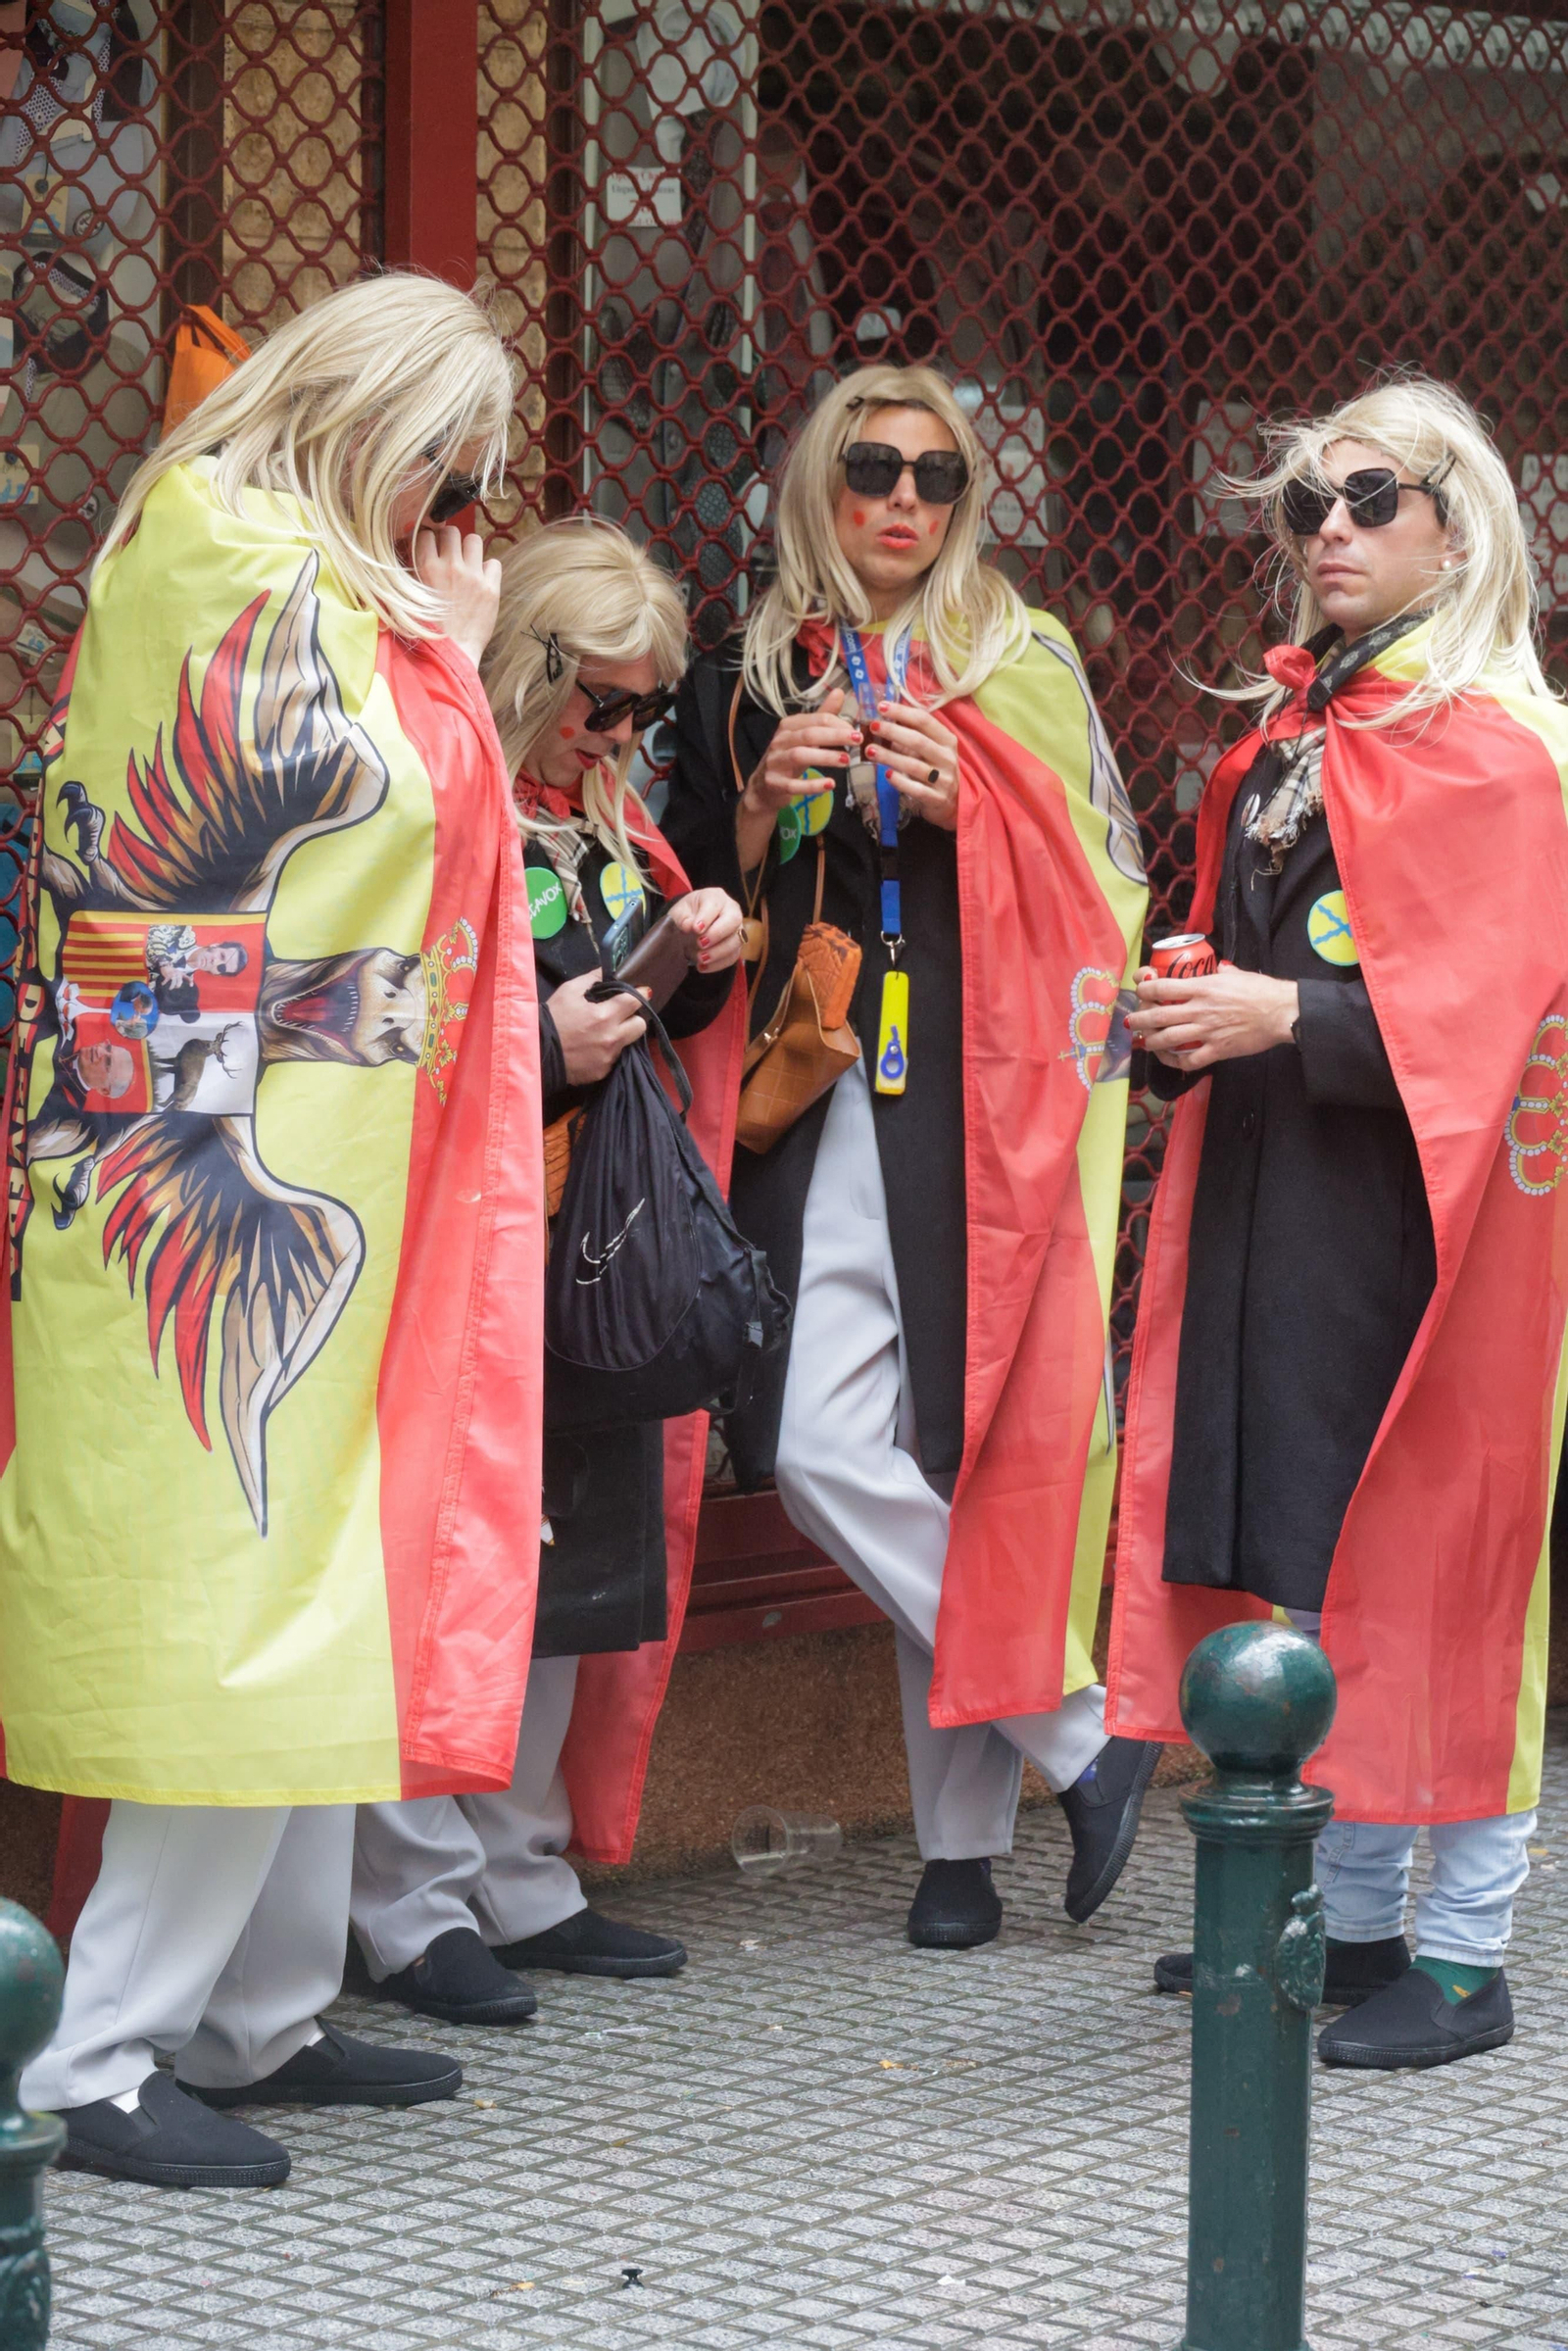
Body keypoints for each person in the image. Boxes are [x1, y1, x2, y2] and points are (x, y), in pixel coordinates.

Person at [6, 269, 547, 2187]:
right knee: (243, 1599)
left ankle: (256, 2017)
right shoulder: (224, 551)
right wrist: (457, 654)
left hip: (286, 1137)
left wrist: (431, 645)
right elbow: (373, 825)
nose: (455, 511)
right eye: (447, 470)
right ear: (375, 422)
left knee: (327, 1584)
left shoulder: (284, 558)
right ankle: (95, 2059)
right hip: (216, 1162)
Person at [664, 364, 1160, 1950]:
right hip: (811, 1092)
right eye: (872, 467)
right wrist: (758, 810)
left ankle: (960, 1850)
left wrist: (980, 815)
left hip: (981, 1095)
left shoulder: (1023, 656)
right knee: (820, 1442)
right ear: (820, 481)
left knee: (964, 1452)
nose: (903, 500)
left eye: (938, 476)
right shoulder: (742, 673)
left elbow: (1115, 876)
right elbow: (678, 890)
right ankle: (1077, 1731)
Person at [1110, 375, 1568, 2068]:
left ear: (1462, 529)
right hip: (1277, 1204)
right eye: (1310, 505)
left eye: (1373, 500)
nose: (1331, 533)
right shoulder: (1296, 734)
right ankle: (1358, 1927)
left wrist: (1279, 1016)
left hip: (1420, 1228)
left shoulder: (1499, 754)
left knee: (1443, 1569)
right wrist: (1183, 1013)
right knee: (1313, 1568)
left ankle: (1464, 1955)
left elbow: (1501, 1030)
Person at [350, 516, 748, 2024]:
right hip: (466, 1240)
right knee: (459, 1560)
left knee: (574, 1556)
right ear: (526, 666)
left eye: (649, 706)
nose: (625, 731)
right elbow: (386, 1032)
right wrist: (539, 1052)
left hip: (589, 1242)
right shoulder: (439, 794)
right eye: (604, 700)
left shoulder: (597, 813)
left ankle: (518, 1873)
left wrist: (696, 949)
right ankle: (412, 1906)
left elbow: (644, 1019)